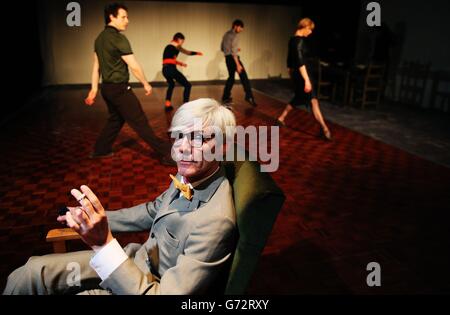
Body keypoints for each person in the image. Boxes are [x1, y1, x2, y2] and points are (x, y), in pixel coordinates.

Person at [3, 98, 238, 295]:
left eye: (199, 138)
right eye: (179, 136)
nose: (183, 148)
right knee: (32, 272)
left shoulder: (216, 222)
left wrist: (103, 243)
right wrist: (94, 217)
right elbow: (151, 210)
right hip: (132, 259)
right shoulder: (194, 172)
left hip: (143, 285)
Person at [84, 3, 170, 161]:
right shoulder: (118, 38)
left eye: (127, 17)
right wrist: (145, 83)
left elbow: (96, 67)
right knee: (140, 122)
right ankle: (167, 154)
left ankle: (101, 149)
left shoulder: (99, 39)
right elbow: (134, 65)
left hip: (107, 89)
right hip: (120, 89)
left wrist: (94, 89)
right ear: (112, 17)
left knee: (115, 119)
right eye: (123, 17)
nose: (127, 20)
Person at [277, 18, 332, 140]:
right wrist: (306, 80)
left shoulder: (292, 40)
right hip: (303, 75)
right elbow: (300, 62)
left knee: (298, 98)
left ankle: (281, 118)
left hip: (299, 75)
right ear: (305, 27)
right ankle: (325, 129)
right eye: (310, 29)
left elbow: (289, 61)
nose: (311, 32)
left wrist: (292, 75)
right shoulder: (299, 42)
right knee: (313, 101)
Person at [162, 33, 203, 111]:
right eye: (182, 41)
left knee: (171, 84)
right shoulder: (176, 46)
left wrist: (180, 63)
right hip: (171, 69)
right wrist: (197, 53)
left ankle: (168, 104)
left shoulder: (168, 46)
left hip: (165, 70)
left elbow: (167, 60)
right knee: (188, 85)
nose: (182, 43)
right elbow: (187, 52)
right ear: (178, 39)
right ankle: (186, 105)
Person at [221, 19, 257, 106]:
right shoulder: (235, 35)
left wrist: (234, 49)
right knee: (244, 78)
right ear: (236, 26)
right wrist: (238, 65)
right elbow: (233, 52)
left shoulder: (226, 34)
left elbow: (222, 48)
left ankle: (225, 96)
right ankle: (249, 96)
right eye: (241, 28)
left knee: (231, 78)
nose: (241, 30)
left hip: (227, 58)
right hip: (234, 59)